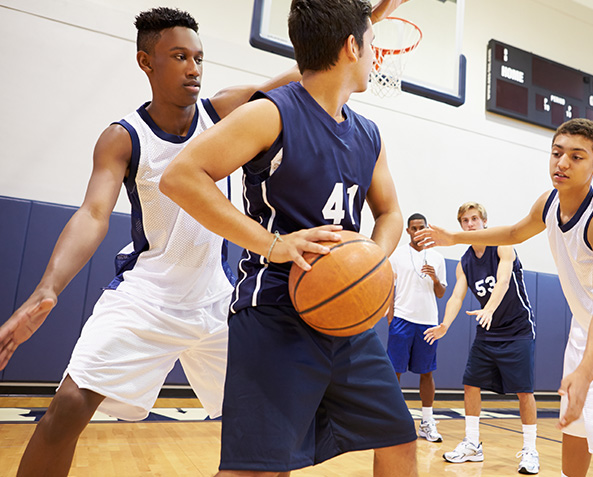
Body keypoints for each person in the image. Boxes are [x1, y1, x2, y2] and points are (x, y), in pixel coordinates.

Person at [0, 4, 403, 476]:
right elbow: (92, 215)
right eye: (178, 57)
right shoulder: (124, 136)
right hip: (149, 297)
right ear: (145, 62)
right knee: (68, 405)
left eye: (198, 57)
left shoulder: (225, 109)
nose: (193, 68)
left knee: (275, 439)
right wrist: (48, 287)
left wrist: (366, 16)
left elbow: (318, 66)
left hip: (217, 301)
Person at [159, 0, 417, 475]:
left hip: (346, 317)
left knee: (399, 438)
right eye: (372, 45)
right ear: (352, 47)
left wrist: (371, 263)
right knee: (257, 467)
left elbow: (390, 211)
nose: (374, 56)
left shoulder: (369, 134)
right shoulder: (272, 113)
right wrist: (273, 245)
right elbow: (181, 176)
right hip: (277, 311)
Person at [416, 118, 593, 477]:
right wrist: (454, 237)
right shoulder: (548, 202)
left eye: (576, 157)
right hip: (585, 322)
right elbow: (513, 231)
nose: (562, 163)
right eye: (557, 153)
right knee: (572, 425)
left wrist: (586, 372)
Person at [424, 201, 539, 474]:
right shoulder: (464, 262)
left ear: (484, 222)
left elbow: (503, 281)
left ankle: (530, 449)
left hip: (517, 329)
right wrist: (445, 325)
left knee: (524, 391)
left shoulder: (501, 244)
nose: (470, 224)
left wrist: (488, 308)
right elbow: (455, 296)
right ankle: (473, 444)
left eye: (475, 219)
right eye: (465, 221)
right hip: (488, 332)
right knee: (470, 384)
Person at [387, 212, 447, 443]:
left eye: (422, 227)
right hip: (402, 319)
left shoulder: (438, 257)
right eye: (414, 228)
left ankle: (427, 422)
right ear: (408, 231)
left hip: (428, 322)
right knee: (395, 371)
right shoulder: (398, 255)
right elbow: (390, 288)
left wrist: (434, 279)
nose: (418, 231)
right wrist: (391, 318)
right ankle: (392, 420)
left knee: (427, 372)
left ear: (426, 228)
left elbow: (441, 293)